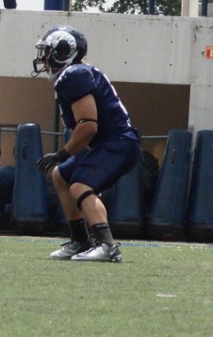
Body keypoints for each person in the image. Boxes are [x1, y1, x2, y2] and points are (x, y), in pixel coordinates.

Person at [32, 25, 140, 262]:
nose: (43, 58)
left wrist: (62, 153)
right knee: (61, 176)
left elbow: (88, 125)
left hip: (117, 143)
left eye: (48, 51)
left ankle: (107, 246)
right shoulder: (76, 73)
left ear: (62, 53)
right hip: (110, 143)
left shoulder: (74, 75)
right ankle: (81, 240)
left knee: (80, 186)